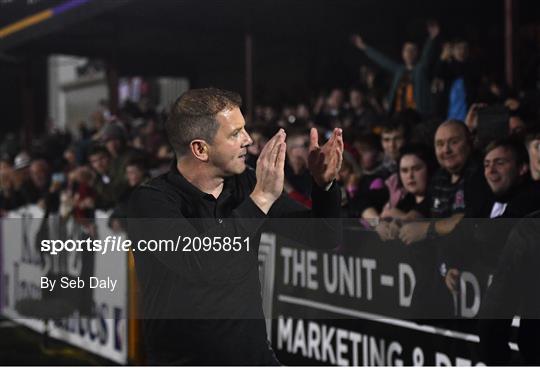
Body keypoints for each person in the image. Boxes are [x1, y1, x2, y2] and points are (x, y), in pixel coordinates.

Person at [128, 88, 343, 365]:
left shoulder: (246, 185)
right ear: (200, 149)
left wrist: (323, 186)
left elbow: (323, 236)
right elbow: (201, 263)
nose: (248, 140)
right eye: (235, 134)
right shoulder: (151, 203)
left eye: (244, 129)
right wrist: (261, 199)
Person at [352, 21, 440, 115]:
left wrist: (432, 38)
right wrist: (365, 47)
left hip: (416, 115)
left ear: (417, 53)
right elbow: (382, 60)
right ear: (402, 53)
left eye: (413, 50)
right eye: (407, 50)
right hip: (399, 115)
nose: (409, 53)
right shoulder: (399, 70)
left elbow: (427, 57)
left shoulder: (420, 70)